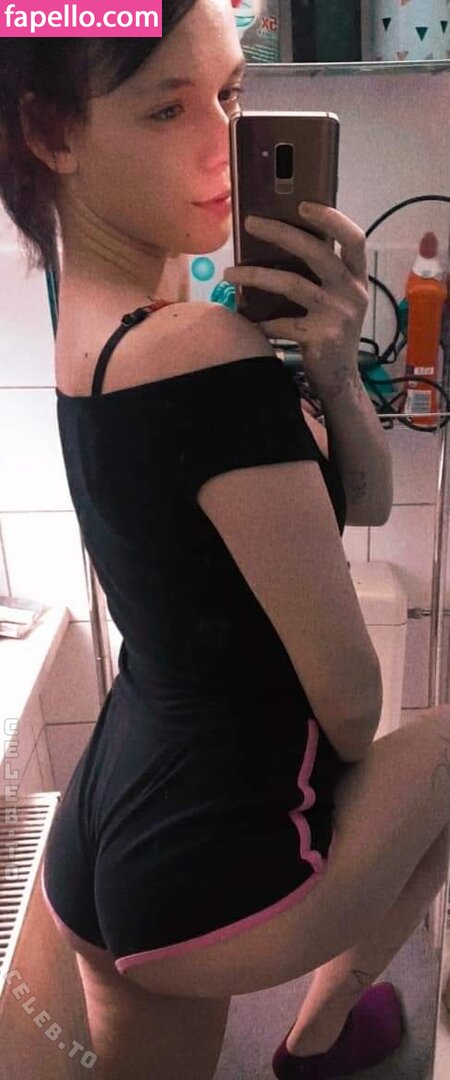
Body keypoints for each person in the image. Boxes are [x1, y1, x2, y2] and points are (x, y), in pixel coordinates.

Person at [1, 5, 450, 1078]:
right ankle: (323, 1026)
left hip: (104, 842)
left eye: (230, 96)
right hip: (213, 858)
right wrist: (350, 809)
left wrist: (331, 369)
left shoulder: (96, 330)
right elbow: (353, 707)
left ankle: (324, 1031)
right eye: (168, 110)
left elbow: (362, 504)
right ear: (53, 133)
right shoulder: (203, 350)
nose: (221, 144)